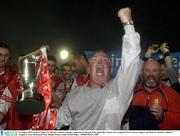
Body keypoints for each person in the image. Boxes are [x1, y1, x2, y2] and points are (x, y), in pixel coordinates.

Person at [55, 7, 141, 130]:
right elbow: (58, 120)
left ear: (111, 70)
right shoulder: (74, 94)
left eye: (105, 60)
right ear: (90, 68)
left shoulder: (119, 90)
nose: (100, 61)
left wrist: (128, 23)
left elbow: (131, 61)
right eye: (95, 60)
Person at [128, 59, 180, 129]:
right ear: (142, 73)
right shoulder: (131, 92)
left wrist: (163, 116)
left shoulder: (172, 94)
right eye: (147, 70)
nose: (151, 74)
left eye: (155, 70)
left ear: (160, 73)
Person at [0, 41, 16, 129]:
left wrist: (40, 52)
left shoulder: (12, 75)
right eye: (0, 55)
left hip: (5, 122)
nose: (3, 58)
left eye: (6, 55)